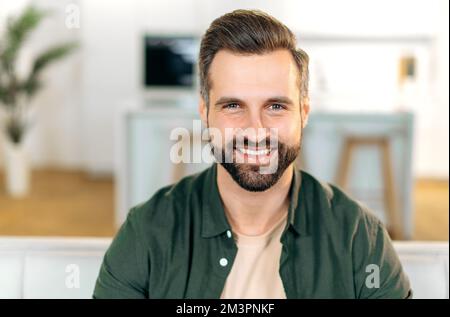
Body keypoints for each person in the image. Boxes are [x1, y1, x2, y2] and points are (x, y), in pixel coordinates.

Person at [93, 9, 411, 299]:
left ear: (304, 113)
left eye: (275, 106)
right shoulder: (145, 234)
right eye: (233, 106)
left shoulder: (360, 239)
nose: (255, 129)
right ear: (205, 113)